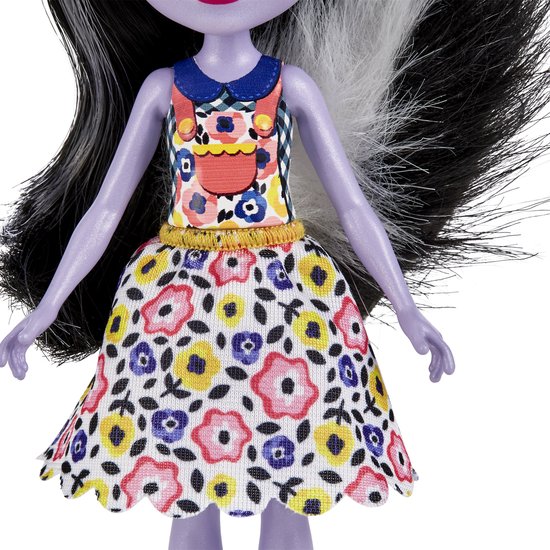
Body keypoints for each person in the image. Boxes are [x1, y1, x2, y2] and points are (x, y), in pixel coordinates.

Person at [0, 1, 548, 549]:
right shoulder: (164, 90)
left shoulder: (291, 88)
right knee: (189, 485)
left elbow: (353, 206)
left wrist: (406, 307)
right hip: (181, 307)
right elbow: (106, 209)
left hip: (283, 302)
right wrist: (46, 309)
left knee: (291, 478)